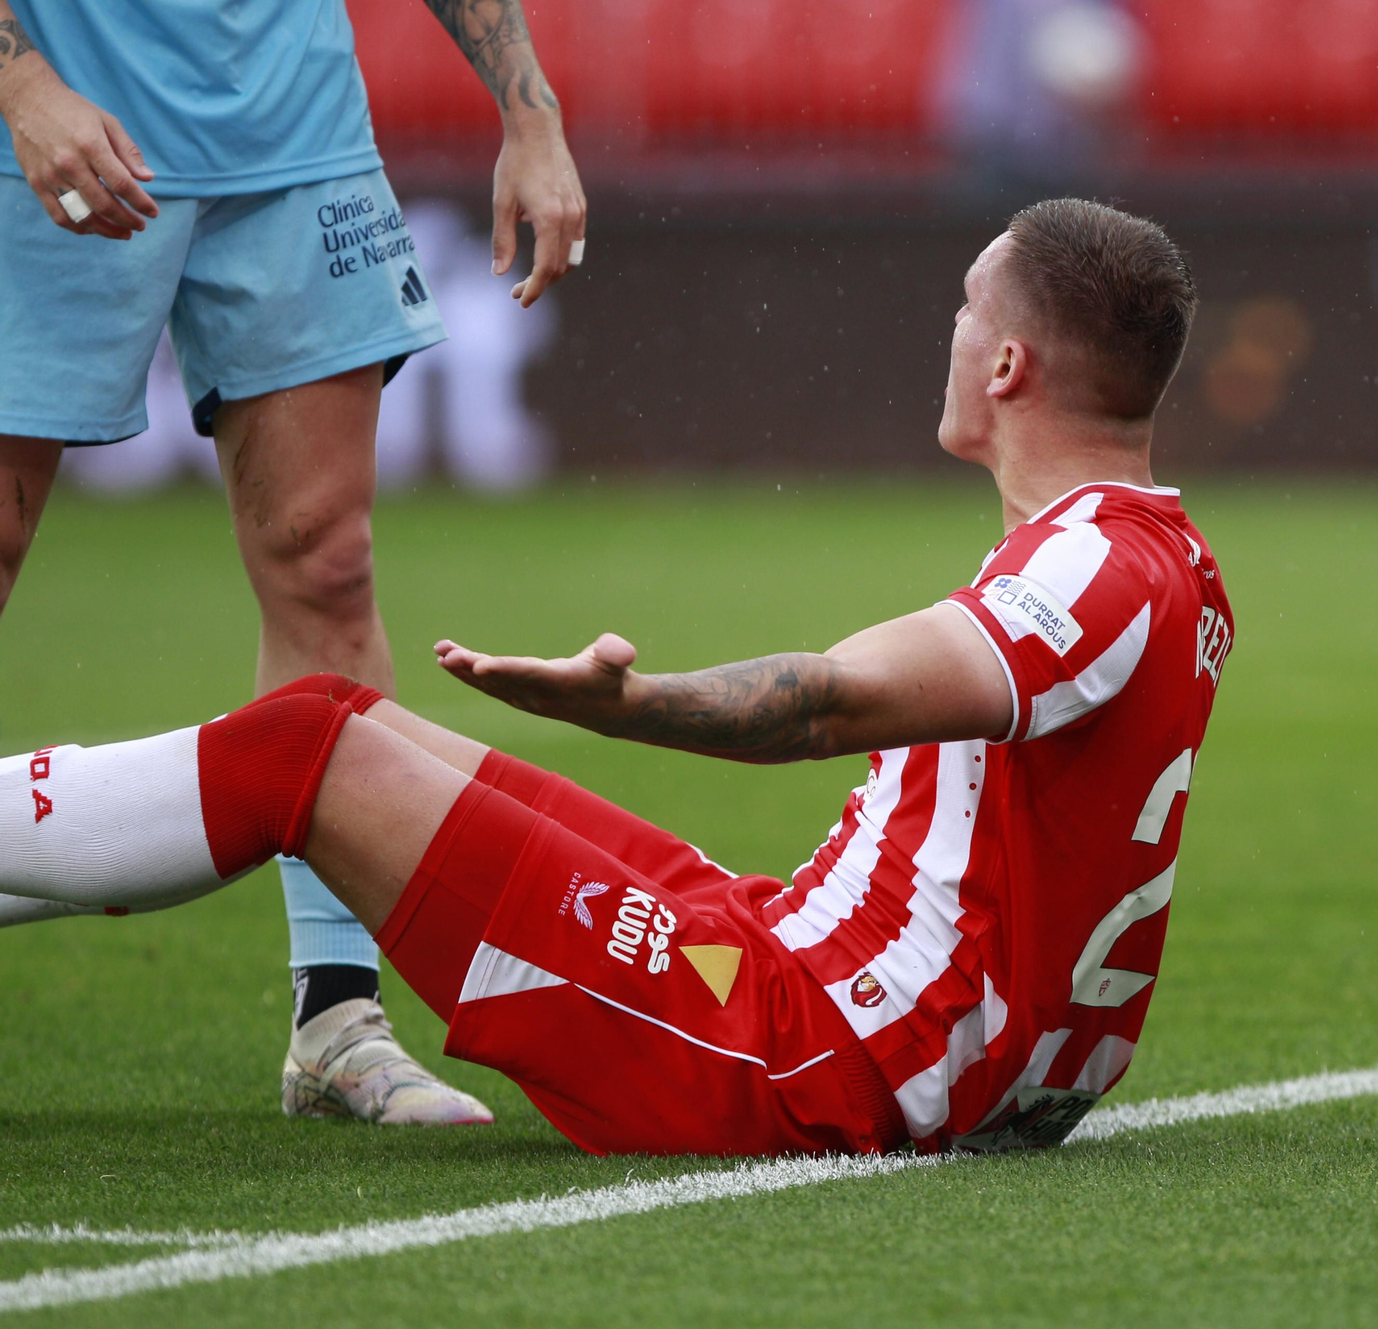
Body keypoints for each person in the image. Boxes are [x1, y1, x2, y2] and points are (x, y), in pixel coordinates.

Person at [0, 200, 1233, 1154]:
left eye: (966, 310)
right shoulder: (1158, 556)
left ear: (1008, 365)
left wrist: (630, 705)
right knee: (334, 718)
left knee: (298, 761)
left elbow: (833, 699)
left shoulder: (1092, 567)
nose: (948, 333)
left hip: (817, 1050)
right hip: (802, 967)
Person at [0, 0, 585, 1125]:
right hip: (44, 134)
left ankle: (336, 1013)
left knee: (326, 556)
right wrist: (20, 78)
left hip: (292, 139)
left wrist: (526, 110)